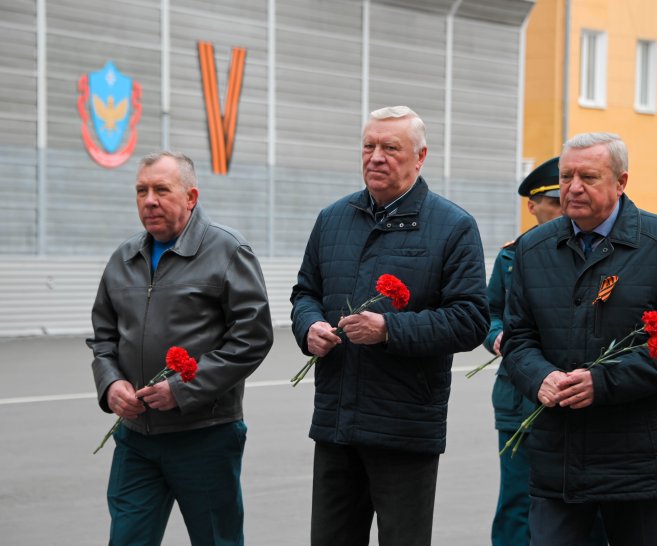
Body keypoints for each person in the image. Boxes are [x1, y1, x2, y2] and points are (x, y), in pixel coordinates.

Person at [290, 105, 489, 546]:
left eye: (390, 148)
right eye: (368, 146)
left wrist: (389, 330)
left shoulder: (453, 226)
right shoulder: (333, 218)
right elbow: (305, 292)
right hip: (337, 422)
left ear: (420, 157)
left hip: (404, 429)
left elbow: (472, 320)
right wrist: (309, 328)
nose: (376, 156)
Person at [503, 132, 657, 546]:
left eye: (589, 177)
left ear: (621, 182)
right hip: (558, 461)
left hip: (640, 465)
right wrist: (539, 377)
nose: (573, 187)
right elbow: (517, 337)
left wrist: (603, 382)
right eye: (566, 176)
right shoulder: (533, 248)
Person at [86, 151, 274, 546]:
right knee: (127, 539)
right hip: (136, 438)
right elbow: (103, 336)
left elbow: (253, 337)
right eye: (141, 190)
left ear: (191, 197)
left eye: (161, 190)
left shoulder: (227, 250)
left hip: (204, 437)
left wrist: (183, 389)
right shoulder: (124, 258)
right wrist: (110, 384)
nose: (149, 200)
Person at [484, 156, 561, 546]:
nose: (566, 204)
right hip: (517, 398)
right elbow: (487, 314)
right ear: (533, 206)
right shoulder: (511, 256)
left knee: (578, 502)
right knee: (517, 500)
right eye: (556, 199)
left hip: (570, 395)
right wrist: (496, 335)